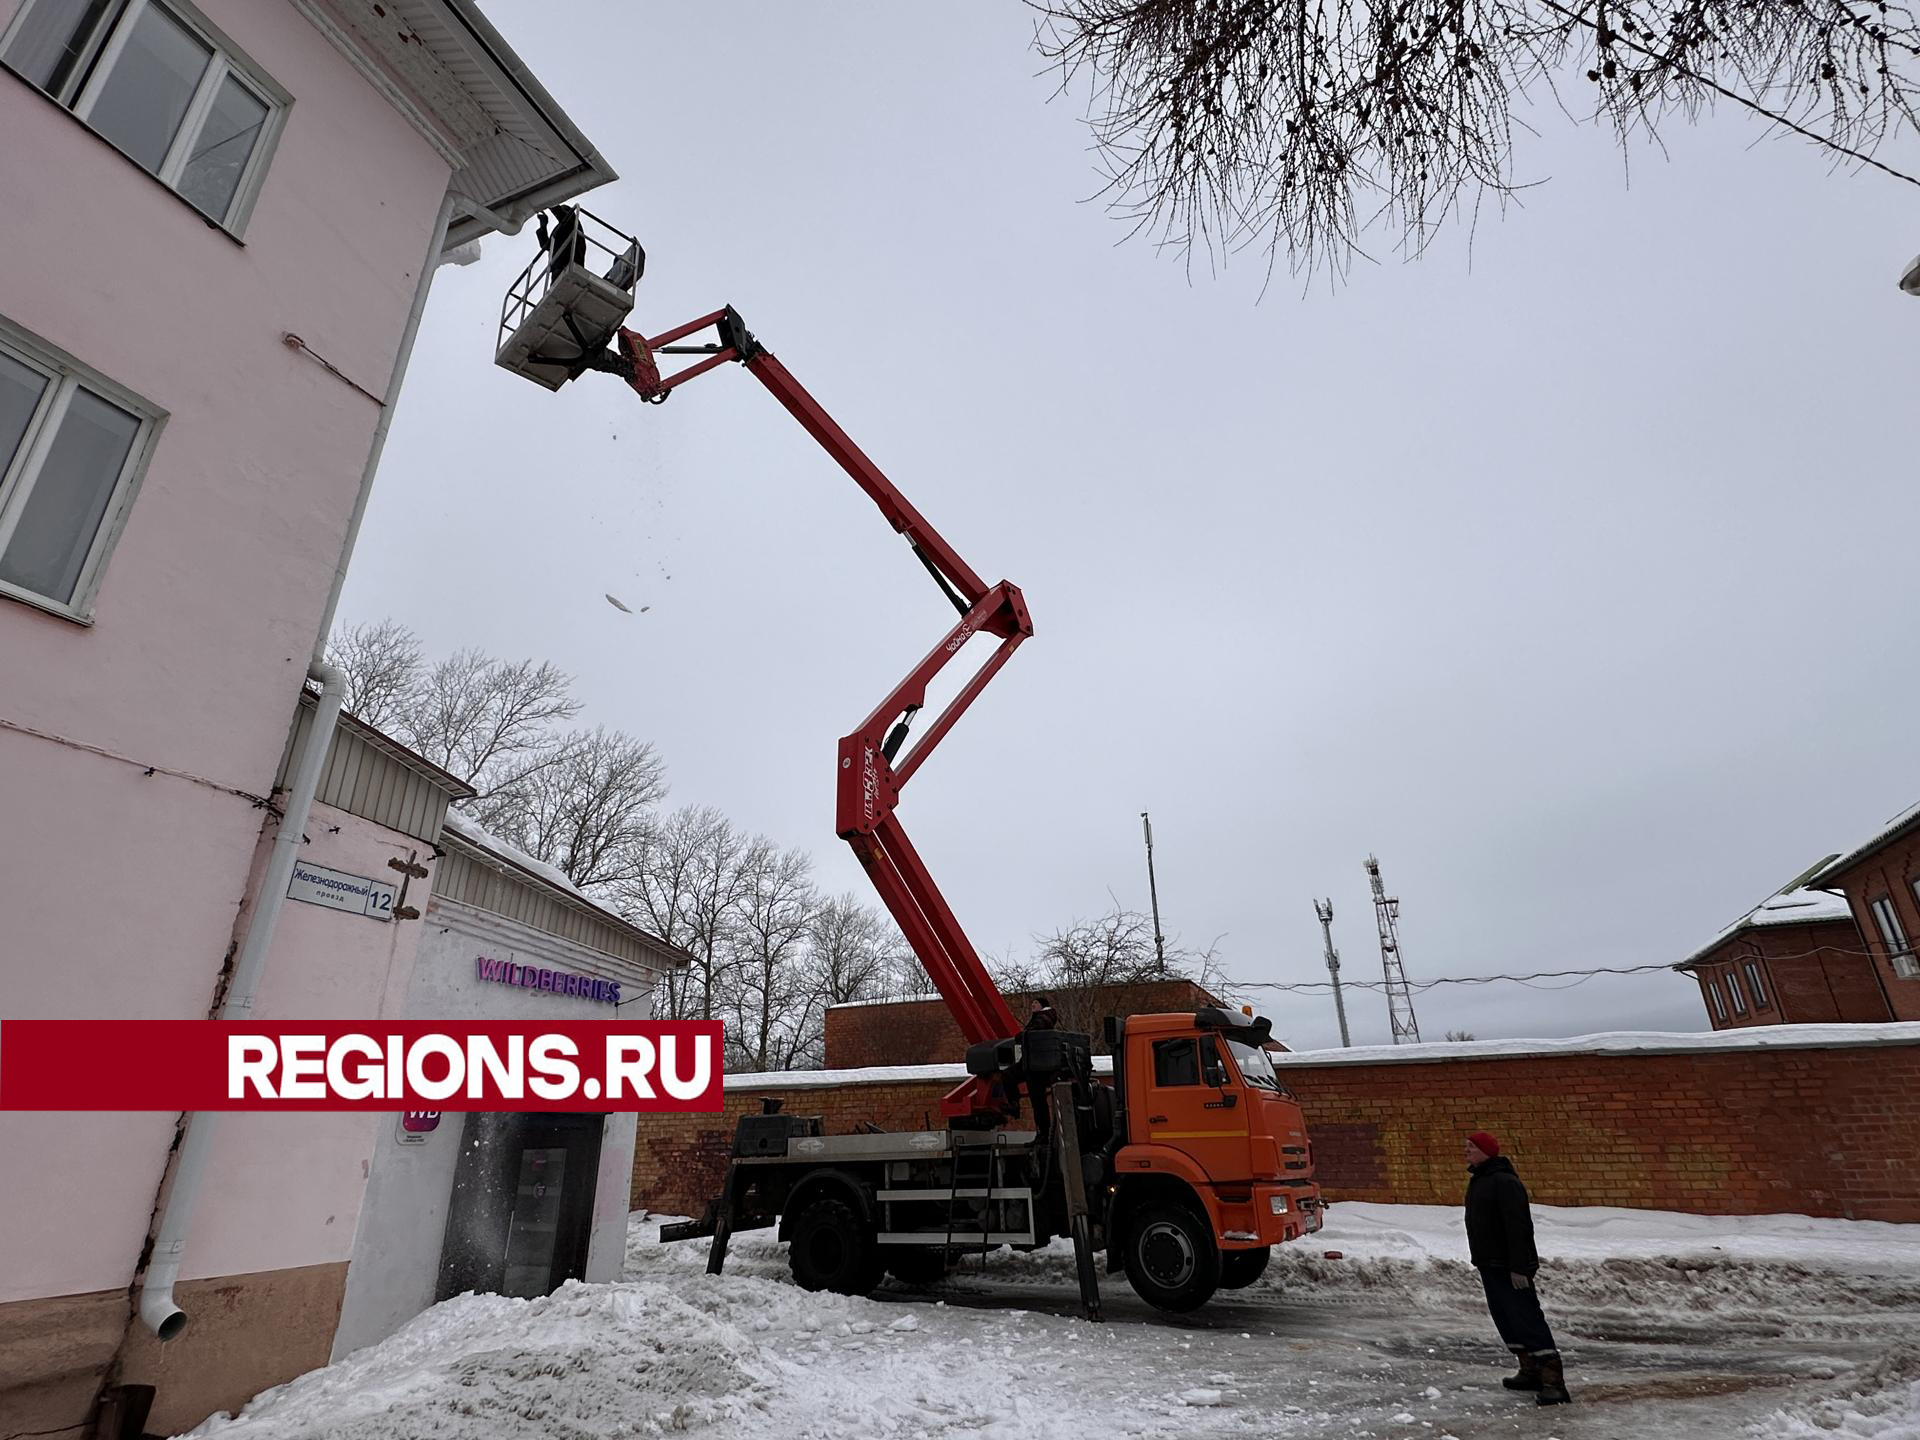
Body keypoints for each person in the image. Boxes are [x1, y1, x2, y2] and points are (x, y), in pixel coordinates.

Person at [1463, 1130, 1570, 1406]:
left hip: (1510, 1265)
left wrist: (1520, 1267)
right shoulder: (1480, 1180)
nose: (1466, 1152)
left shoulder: (1504, 1181)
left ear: (1486, 1151)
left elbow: (1519, 1226)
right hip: (1490, 1263)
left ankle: (1553, 1380)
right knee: (1506, 1318)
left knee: (1525, 1317)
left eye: (1471, 1147)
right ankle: (1529, 1369)